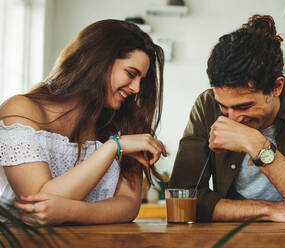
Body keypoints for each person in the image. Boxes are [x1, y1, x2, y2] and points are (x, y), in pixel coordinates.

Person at [170, 15, 285, 223]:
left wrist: (255, 143)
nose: (232, 118)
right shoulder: (207, 105)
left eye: (244, 106)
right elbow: (182, 200)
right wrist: (268, 210)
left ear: (276, 87)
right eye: (223, 106)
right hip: (234, 238)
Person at [0, 19, 167, 225]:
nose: (136, 89)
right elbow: (37, 205)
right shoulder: (21, 110)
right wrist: (113, 147)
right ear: (97, 61)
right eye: (131, 74)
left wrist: (72, 211)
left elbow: (128, 205)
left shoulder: (125, 122)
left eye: (141, 80)